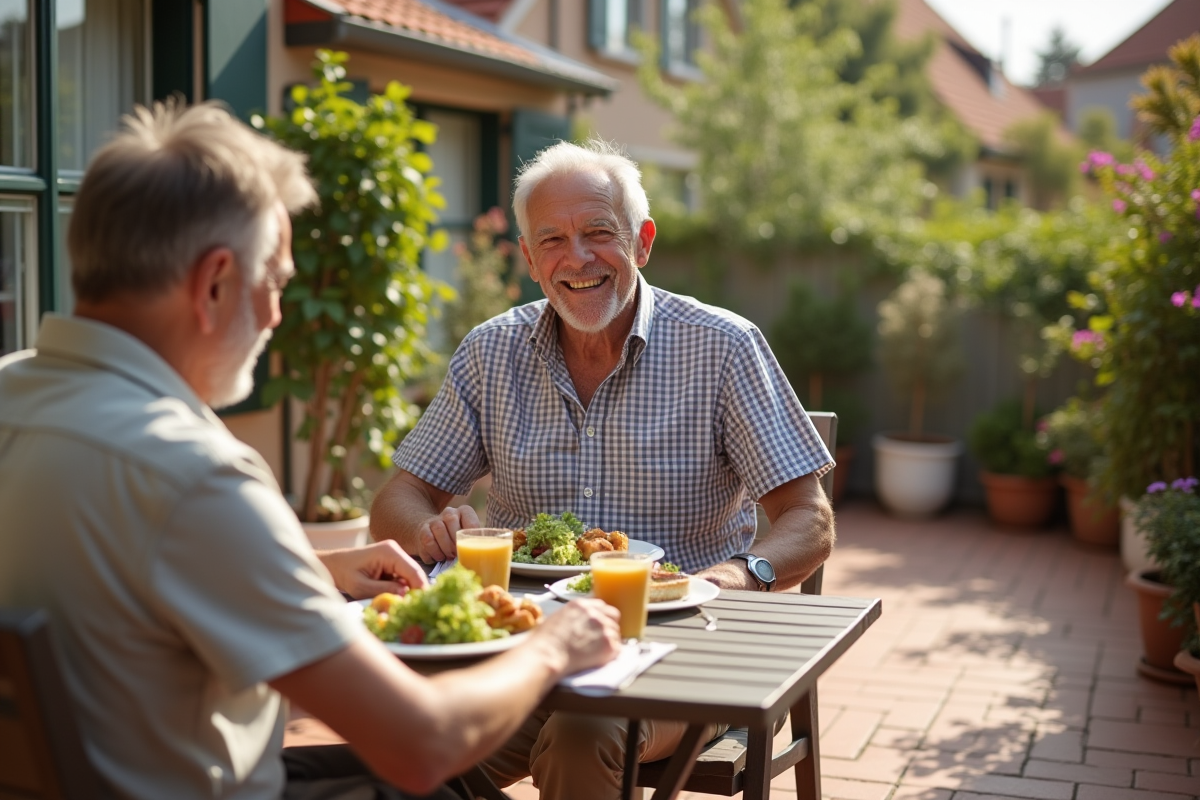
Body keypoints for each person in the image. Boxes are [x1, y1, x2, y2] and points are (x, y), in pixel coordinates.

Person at [0, 102, 623, 800]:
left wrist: (318, 566)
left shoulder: (16, 394)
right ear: (213, 284)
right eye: (276, 284)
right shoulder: (193, 473)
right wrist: (554, 647)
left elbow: (125, 564)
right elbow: (424, 742)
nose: (275, 315)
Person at [369, 139, 836, 799]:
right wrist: (428, 530)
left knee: (583, 736)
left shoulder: (723, 347)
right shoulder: (491, 352)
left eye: (598, 233)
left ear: (642, 242)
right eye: (552, 240)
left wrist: (740, 574)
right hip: (521, 647)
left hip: (675, 651)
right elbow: (400, 496)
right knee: (398, 732)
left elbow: (809, 520)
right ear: (529, 259)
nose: (578, 258)